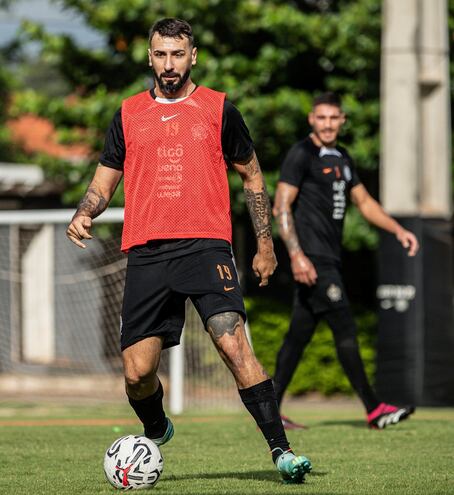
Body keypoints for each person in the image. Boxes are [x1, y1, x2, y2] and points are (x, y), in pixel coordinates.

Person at [66, 18, 311, 483]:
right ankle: (156, 426)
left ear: (192, 56)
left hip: (206, 246)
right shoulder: (127, 113)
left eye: (178, 54)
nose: (169, 64)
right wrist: (85, 212)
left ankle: (282, 451)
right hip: (147, 251)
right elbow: (105, 178)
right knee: (137, 374)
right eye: (161, 54)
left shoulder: (219, 109)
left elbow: (253, 175)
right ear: (150, 57)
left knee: (231, 340)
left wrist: (265, 244)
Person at [273, 92, 419, 430]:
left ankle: (270, 412)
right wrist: (296, 255)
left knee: (297, 337)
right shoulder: (301, 154)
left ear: (342, 121)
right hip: (314, 261)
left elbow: (365, 202)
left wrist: (398, 230)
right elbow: (281, 206)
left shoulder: (343, 157)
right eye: (321, 118)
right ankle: (374, 408)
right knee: (345, 329)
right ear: (311, 119)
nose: (327, 124)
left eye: (333, 118)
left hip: (329, 259)